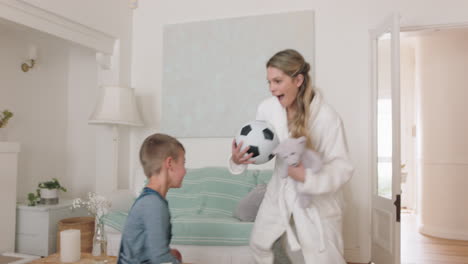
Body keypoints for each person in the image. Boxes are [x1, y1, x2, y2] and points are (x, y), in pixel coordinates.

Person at [230, 49, 354, 264]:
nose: (271, 89)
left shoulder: (327, 117)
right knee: (260, 244)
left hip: (316, 201)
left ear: (298, 80)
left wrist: (307, 177)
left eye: (277, 81)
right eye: (269, 82)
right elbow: (263, 149)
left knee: (322, 258)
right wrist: (239, 160)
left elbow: (342, 167)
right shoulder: (267, 109)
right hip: (279, 194)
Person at [118, 133, 186, 264]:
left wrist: (170, 254)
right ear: (170, 163)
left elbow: (151, 250)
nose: (185, 171)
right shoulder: (153, 204)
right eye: (183, 163)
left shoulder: (151, 200)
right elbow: (160, 259)